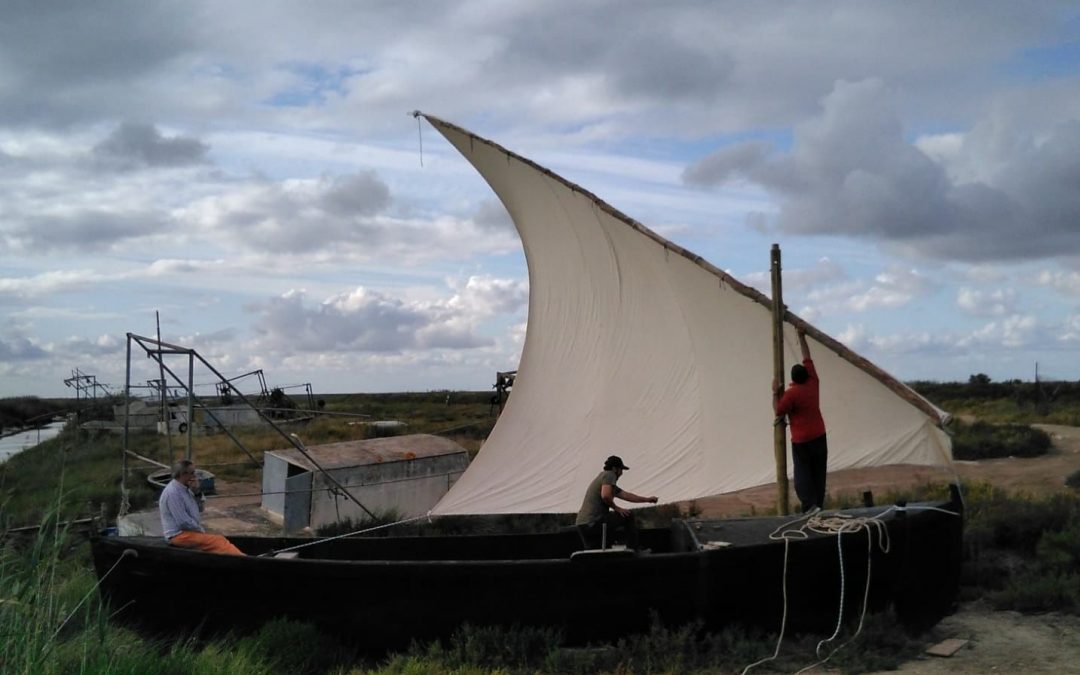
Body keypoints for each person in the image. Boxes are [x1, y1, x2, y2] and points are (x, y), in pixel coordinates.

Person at [773, 328, 828, 512]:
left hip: (802, 441)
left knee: (802, 475)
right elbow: (807, 356)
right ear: (806, 374)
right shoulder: (813, 382)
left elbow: (778, 411)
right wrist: (801, 336)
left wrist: (775, 392)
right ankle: (818, 504)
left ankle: (810, 506)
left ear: (792, 379)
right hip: (819, 436)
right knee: (818, 472)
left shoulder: (791, 394)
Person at [159, 459, 244, 555]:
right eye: (192, 473)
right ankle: (244, 560)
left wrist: (197, 492)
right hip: (177, 535)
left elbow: (200, 509)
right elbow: (183, 522)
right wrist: (200, 530)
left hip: (190, 532)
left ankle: (239, 556)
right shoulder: (173, 493)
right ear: (183, 474)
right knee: (218, 541)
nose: (194, 476)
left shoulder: (187, 489)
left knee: (217, 541)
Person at [575, 455, 658, 550]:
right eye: (621, 470)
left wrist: (647, 499)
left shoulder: (603, 480)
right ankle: (635, 547)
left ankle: (612, 546)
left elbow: (626, 495)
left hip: (582, 524)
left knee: (596, 550)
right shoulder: (609, 475)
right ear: (615, 469)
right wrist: (617, 508)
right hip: (593, 523)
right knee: (628, 515)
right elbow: (605, 496)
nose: (621, 473)